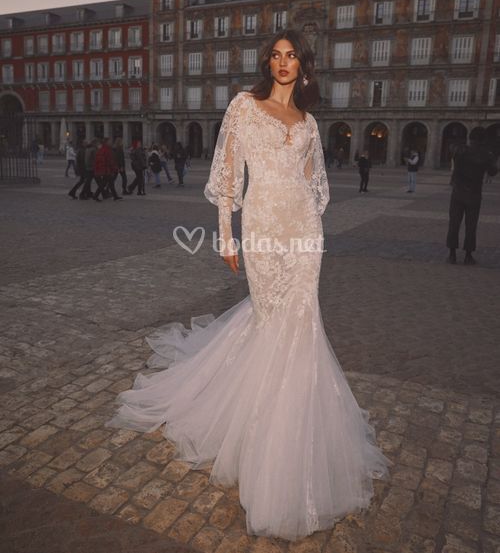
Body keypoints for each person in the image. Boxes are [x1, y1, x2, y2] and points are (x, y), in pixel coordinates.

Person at [108, 30, 389, 541]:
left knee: (301, 321)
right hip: (259, 226)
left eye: (292, 56)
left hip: (303, 230)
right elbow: (227, 176)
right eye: (276, 56)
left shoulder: (308, 122)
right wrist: (225, 237)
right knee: (269, 318)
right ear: (268, 63)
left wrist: (307, 222)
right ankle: (260, 436)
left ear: (304, 66)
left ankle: (291, 442)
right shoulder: (243, 106)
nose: (283, 63)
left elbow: (316, 185)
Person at [446, 133, 498, 265]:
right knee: (471, 226)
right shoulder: (486, 155)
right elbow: (492, 172)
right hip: (474, 194)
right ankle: (468, 256)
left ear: (471, 138)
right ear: (482, 140)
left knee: (454, 224)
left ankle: (452, 255)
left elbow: (452, 149)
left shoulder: (460, 150)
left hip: (458, 193)